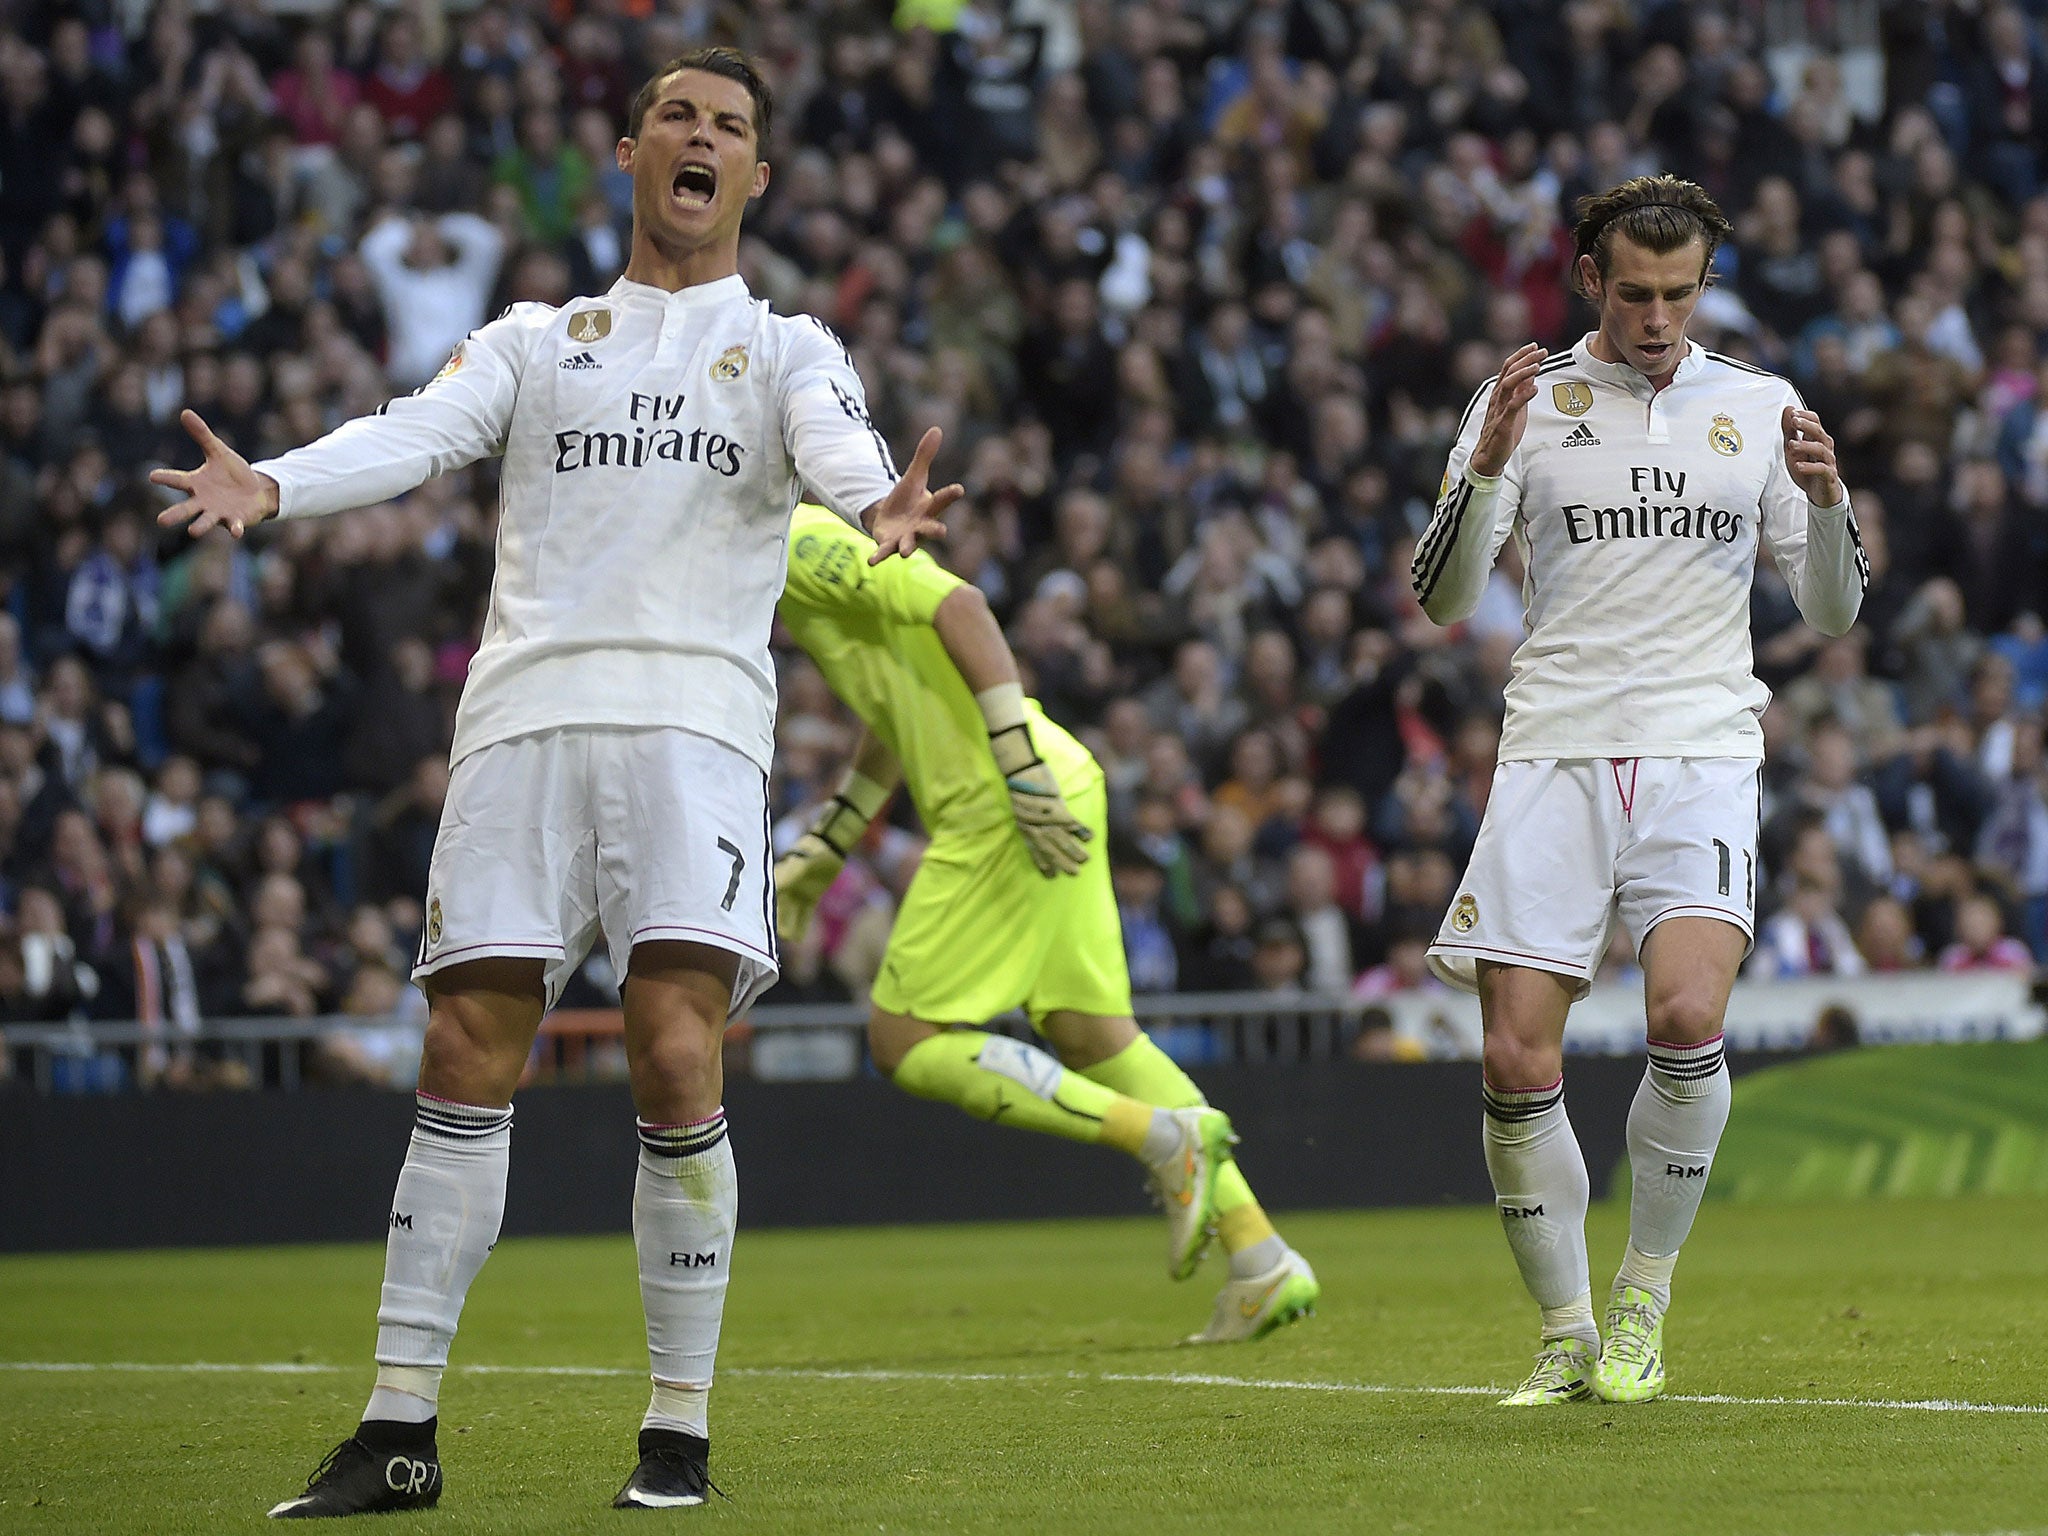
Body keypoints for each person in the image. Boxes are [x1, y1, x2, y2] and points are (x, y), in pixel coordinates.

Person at [151, 48, 958, 1518]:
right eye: (677, 118)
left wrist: (875, 500)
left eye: (728, 128)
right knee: (466, 1050)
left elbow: (842, 448)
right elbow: (410, 433)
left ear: (756, 178)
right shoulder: (536, 337)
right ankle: (399, 1431)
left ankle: (678, 1434)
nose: (700, 139)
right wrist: (273, 479)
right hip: (521, 721)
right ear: (631, 151)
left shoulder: (784, 346)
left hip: (692, 731)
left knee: (673, 1049)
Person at [1411, 176, 1865, 1408]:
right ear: (1588, 281)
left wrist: (1827, 507)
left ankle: (1640, 1301)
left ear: (1699, 286)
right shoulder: (1524, 400)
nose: (1656, 316)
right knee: (1512, 1058)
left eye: (1677, 293)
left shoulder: (1758, 407)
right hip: (1550, 746)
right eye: (1633, 292)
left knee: (1680, 1021)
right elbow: (1445, 599)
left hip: (1699, 752)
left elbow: (1828, 611)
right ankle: (1561, 1331)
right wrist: (1486, 470)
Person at [773, 503, 1317, 1343]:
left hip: (1002, 800)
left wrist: (1017, 770)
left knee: (903, 1038)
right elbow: (898, 699)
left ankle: (1160, 1138)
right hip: (1056, 776)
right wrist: (834, 836)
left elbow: (961, 609)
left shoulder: (793, 538)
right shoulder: (776, 559)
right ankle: (1259, 1258)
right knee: (1093, 1033)